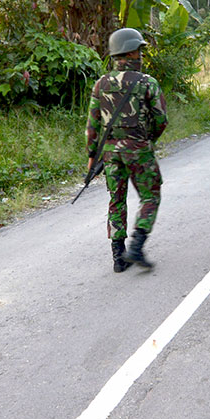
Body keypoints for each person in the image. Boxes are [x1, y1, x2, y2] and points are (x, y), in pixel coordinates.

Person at [86, 28, 168, 271]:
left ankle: (118, 257)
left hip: (111, 153)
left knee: (116, 199)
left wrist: (92, 156)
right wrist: (147, 139)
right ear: (131, 51)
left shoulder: (100, 84)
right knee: (151, 196)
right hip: (139, 149)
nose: (141, 55)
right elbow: (161, 119)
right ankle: (136, 246)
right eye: (139, 50)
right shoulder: (147, 83)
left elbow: (92, 126)